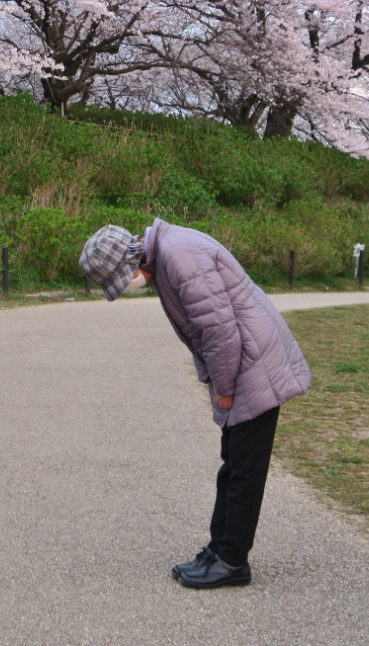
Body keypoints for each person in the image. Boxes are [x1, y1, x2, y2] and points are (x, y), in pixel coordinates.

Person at [79, 219, 310, 590]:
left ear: (132, 260)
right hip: (247, 360)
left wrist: (223, 388)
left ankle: (233, 562)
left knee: (244, 469)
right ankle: (218, 551)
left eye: (124, 277)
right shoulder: (168, 253)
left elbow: (219, 331)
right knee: (233, 463)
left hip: (253, 362)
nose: (132, 283)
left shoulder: (179, 257)